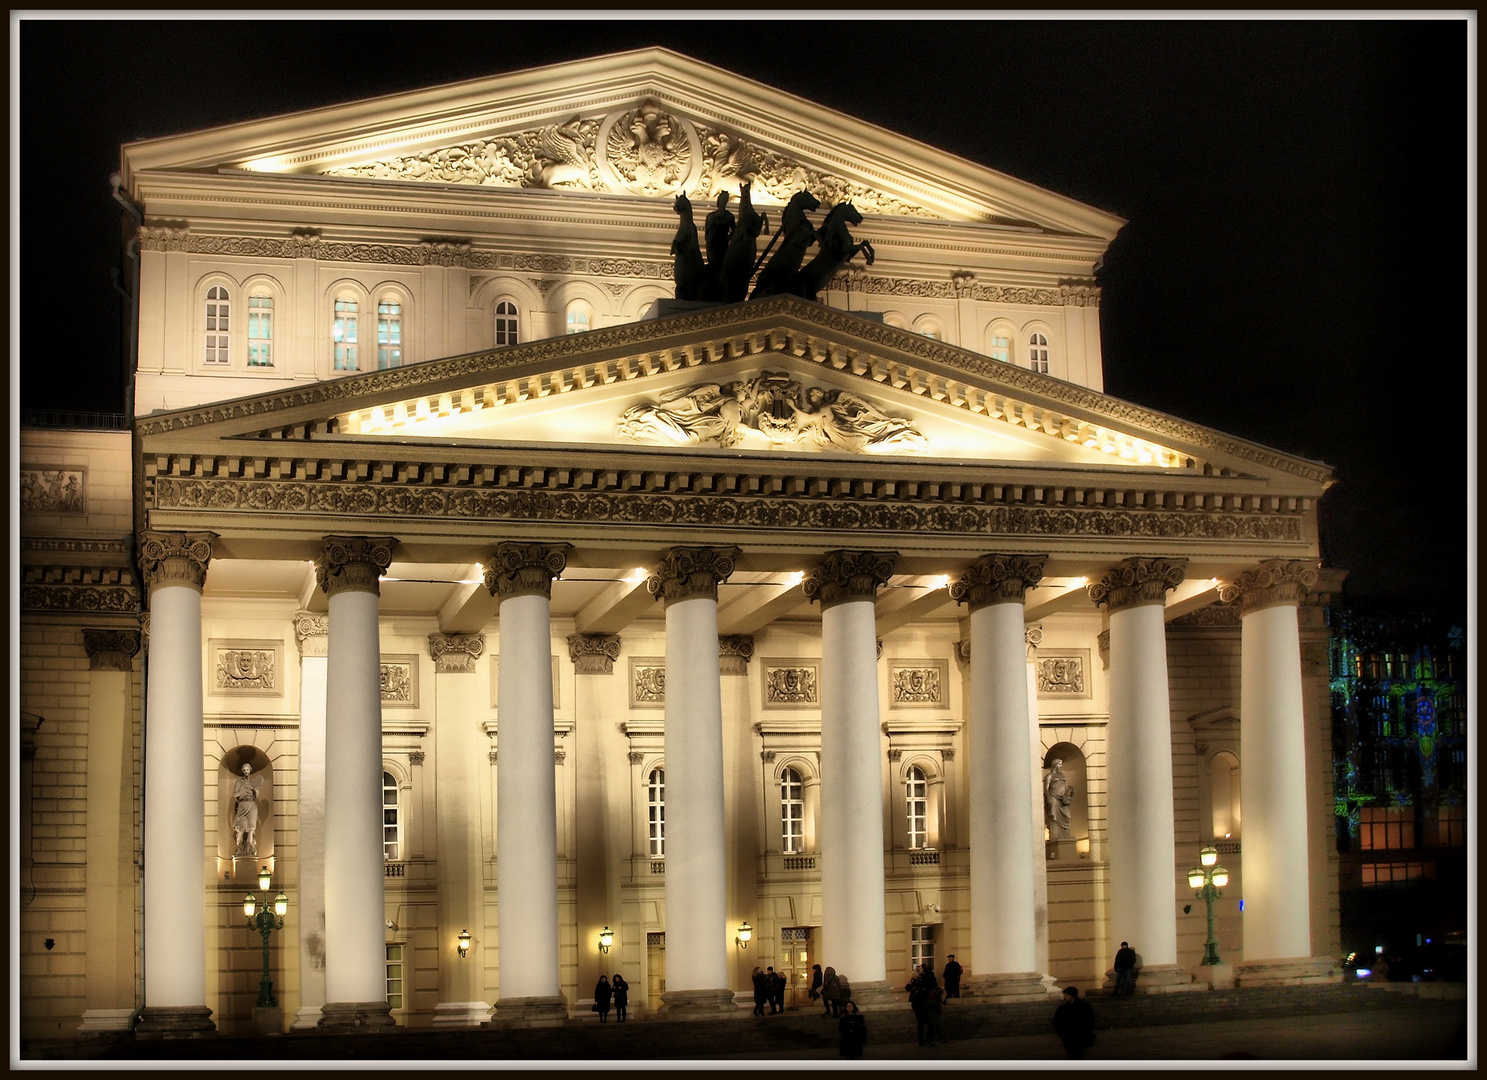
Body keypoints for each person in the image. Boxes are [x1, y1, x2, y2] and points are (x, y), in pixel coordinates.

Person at [1053, 985, 1096, 1059]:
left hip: (1079, 1035)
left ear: (1072, 996)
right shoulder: (1062, 1008)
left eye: (1066, 995)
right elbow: (1057, 1021)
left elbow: (1089, 1019)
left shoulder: (1083, 1007)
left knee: (1076, 1054)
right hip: (1068, 1036)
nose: (1064, 997)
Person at [232, 763, 261, 856]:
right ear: (242, 771)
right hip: (242, 805)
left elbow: (257, 796)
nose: (246, 771)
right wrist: (242, 790)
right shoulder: (239, 782)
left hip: (252, 805)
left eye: (247, 770)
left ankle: (250, 848)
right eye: (244, 770)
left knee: (252, 828)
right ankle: (239, 848)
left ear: (250, 770)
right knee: (242, 828)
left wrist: (255, 790)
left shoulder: (253, 782)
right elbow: (235, 795)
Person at [1044, 758, 1074, 840]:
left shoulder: (1062, 775)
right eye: (1059, 764)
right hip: (1054, 798)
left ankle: (1066, 836)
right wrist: (1049, 798)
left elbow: (1066, 786)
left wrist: (1069, 793)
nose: (1060, 766)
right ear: (1055, 765)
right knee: (1054, 817)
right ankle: (1055, 837)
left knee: (1067, 816)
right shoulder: (1049, 776)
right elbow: (1046, 788)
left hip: (1063, 800)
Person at [923, 979, 945, 1047]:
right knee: (933, 1028)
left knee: (933, 1028)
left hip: (934, 1015)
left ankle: (930, 1040)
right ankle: (931, 1040)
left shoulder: (934, 998)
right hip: (933, 1015)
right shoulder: (933, 998)